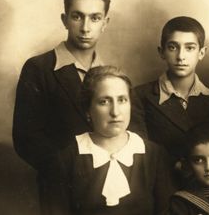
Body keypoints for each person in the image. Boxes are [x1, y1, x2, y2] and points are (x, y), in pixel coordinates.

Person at [12, 0, 110, 211]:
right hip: (60, 188)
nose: (86, 27)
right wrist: (71, 172)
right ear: (65, 20)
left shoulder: (109, 75)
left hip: (107, 186)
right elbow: (26, 138)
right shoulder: (39, 68)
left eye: (95, 18)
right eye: (77, 16)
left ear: (105, 22)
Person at [45, 66, 175, 215]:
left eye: (122, 100)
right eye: (104, 101)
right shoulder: (65, 160)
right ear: (88, 109)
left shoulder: (155, 155)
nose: (115, 112)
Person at [131, 16, 209, 182]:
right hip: (161, 185)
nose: (181, 56)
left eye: (189, 48)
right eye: (173, 47)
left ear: (201, 53)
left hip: (207, 188)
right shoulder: (141, 96)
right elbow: (140, 153)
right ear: (162, 52)